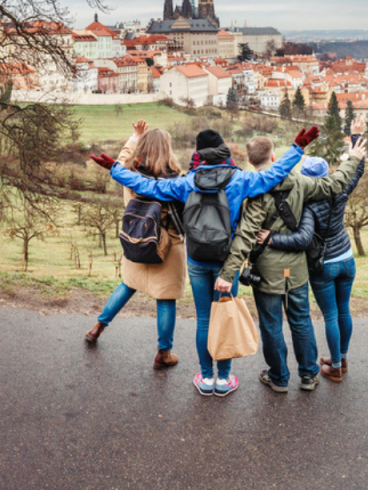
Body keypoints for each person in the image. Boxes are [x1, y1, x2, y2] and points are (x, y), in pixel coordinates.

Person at [90, 125, 318, 398]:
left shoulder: (186, 182)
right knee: (224, 317)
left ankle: (205, 376)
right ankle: (223, 379)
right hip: (226, 262)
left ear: (200, 157)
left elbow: (147, 185)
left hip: (197, 258)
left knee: (204, 320)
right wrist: (296, 149)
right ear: (223, 153)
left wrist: (115, 169)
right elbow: (274, 174)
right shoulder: (239, 179)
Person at [216, 138, 366, 393]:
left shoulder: (255, 193)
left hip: (267, 272)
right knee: (301, 321)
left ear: (250, 162)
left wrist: (227, 274)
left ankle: (279, 378)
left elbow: (245, 236)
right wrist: (352, 158)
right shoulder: (299, 182)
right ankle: (309, 376)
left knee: (272, 325)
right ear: (274, 157)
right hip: (296, 270)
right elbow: (335, 183)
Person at [84, 120, 186, 371]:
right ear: (168, 149)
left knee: (128, 285)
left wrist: (134, 136)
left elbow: (119, 160)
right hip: (169, 246)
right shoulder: (176, 179)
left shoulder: (129, 174)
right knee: (166, 299)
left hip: (136, 238)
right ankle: (163, 353)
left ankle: (98, 327)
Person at [298, 149, 364, 382]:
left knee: (330, 315)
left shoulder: (304, 201)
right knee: (344, 310)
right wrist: (356, 143)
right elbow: (358, 170)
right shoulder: (341, 188)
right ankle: (342, 359)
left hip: (323, 265)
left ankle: (335, 367)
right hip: (346, 259)